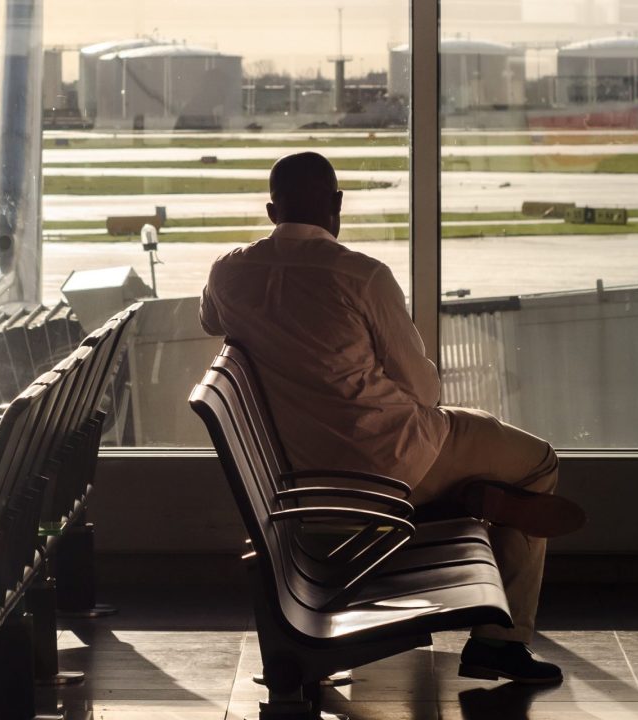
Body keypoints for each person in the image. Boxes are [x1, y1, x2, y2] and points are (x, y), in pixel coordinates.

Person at [199, 151, 584, 685]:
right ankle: (501, 639)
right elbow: (424, 390)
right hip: (398, 458)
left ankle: (473, 499)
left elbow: (209, 319)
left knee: (473, 444)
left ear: (271, 211)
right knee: (537, 463)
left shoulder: (228, 272)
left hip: (303, 476)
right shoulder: (362, 276)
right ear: (336, 206)